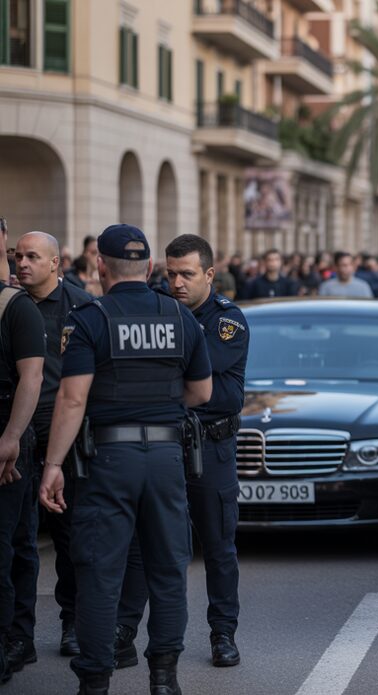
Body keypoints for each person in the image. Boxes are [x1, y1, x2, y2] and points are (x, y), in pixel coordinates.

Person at [38, 224, 212, 695]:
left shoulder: (90, 319)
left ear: (100, 266)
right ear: (150, 267)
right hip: (165, 457)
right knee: (168, 568)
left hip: (108, 459)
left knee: (99, 570)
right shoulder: (181, 319)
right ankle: (164, 677)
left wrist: (52, 466)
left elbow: (72, 401)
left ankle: (95, 682)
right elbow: (202, 391)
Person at [115, 234, 248, 670]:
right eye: (170, 273)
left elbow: (197, 375)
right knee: (142, 540)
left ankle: (223, 633)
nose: (176, 283)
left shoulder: (228, 321)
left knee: (217, 544)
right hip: (163, 442)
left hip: (210, 444)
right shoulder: (155, 307)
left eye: (187, 274)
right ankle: (124, 630)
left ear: (209, 274)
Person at [9, 232, 91, 668]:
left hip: (65, 434)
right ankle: (19, 634)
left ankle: (73, 621)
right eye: (16, 256)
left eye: (32, 257)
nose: (22, 263)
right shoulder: (10, 306)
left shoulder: (80, 306)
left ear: (56, 263)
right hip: (19, 435)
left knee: (70, 535)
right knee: (21, 538)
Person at [0, 271, 44, 686]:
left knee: (13, 545)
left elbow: (33, 376)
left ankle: (15, 638)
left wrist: (12, 437)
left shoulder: (16, 306)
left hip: (14, 439)